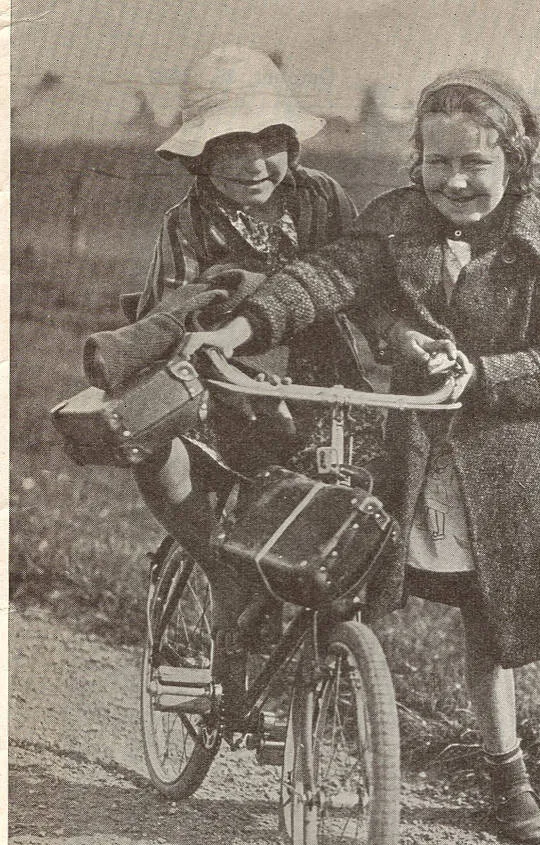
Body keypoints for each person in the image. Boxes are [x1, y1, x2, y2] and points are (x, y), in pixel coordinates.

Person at [183, 67, 540, 845]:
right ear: (415, 161)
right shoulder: (395, 224)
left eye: (476, 165)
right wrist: (245, 326)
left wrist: (482, 375)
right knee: (478, 623)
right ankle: (507, 785)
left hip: (530, 476)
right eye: (437, 163)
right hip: (426, 464)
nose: (455, 182)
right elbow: (326, 277)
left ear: (516, 163)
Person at [84, 45, 385, 647]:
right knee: (189, 487)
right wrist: (215, 354)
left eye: (270, 142)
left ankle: (324, 673)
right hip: (229, 386)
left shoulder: (321, 198)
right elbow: (171, 316)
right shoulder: (188, 223)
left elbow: (357, 283)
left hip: (319, 382)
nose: (254, 164)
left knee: (342, 535)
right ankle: (226, 592)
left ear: (292, 147)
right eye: (231, 146)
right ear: (201, 156)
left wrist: (398, 339)